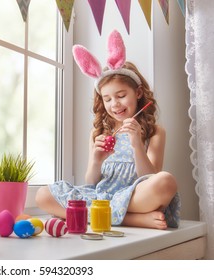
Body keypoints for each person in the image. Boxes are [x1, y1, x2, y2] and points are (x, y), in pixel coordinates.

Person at [36, 30, 180, 230]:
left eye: (121, 95)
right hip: (101, 197)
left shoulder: (154, 132)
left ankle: (101, 215)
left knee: (166, 181)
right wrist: (96, 160)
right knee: (43, 195)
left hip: (135, 197)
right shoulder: (98, 132)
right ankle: (132, 219)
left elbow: (150, 177)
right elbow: (92, 181)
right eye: (107, 98)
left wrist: (137, 144)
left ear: (138, 93)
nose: (115, 104)